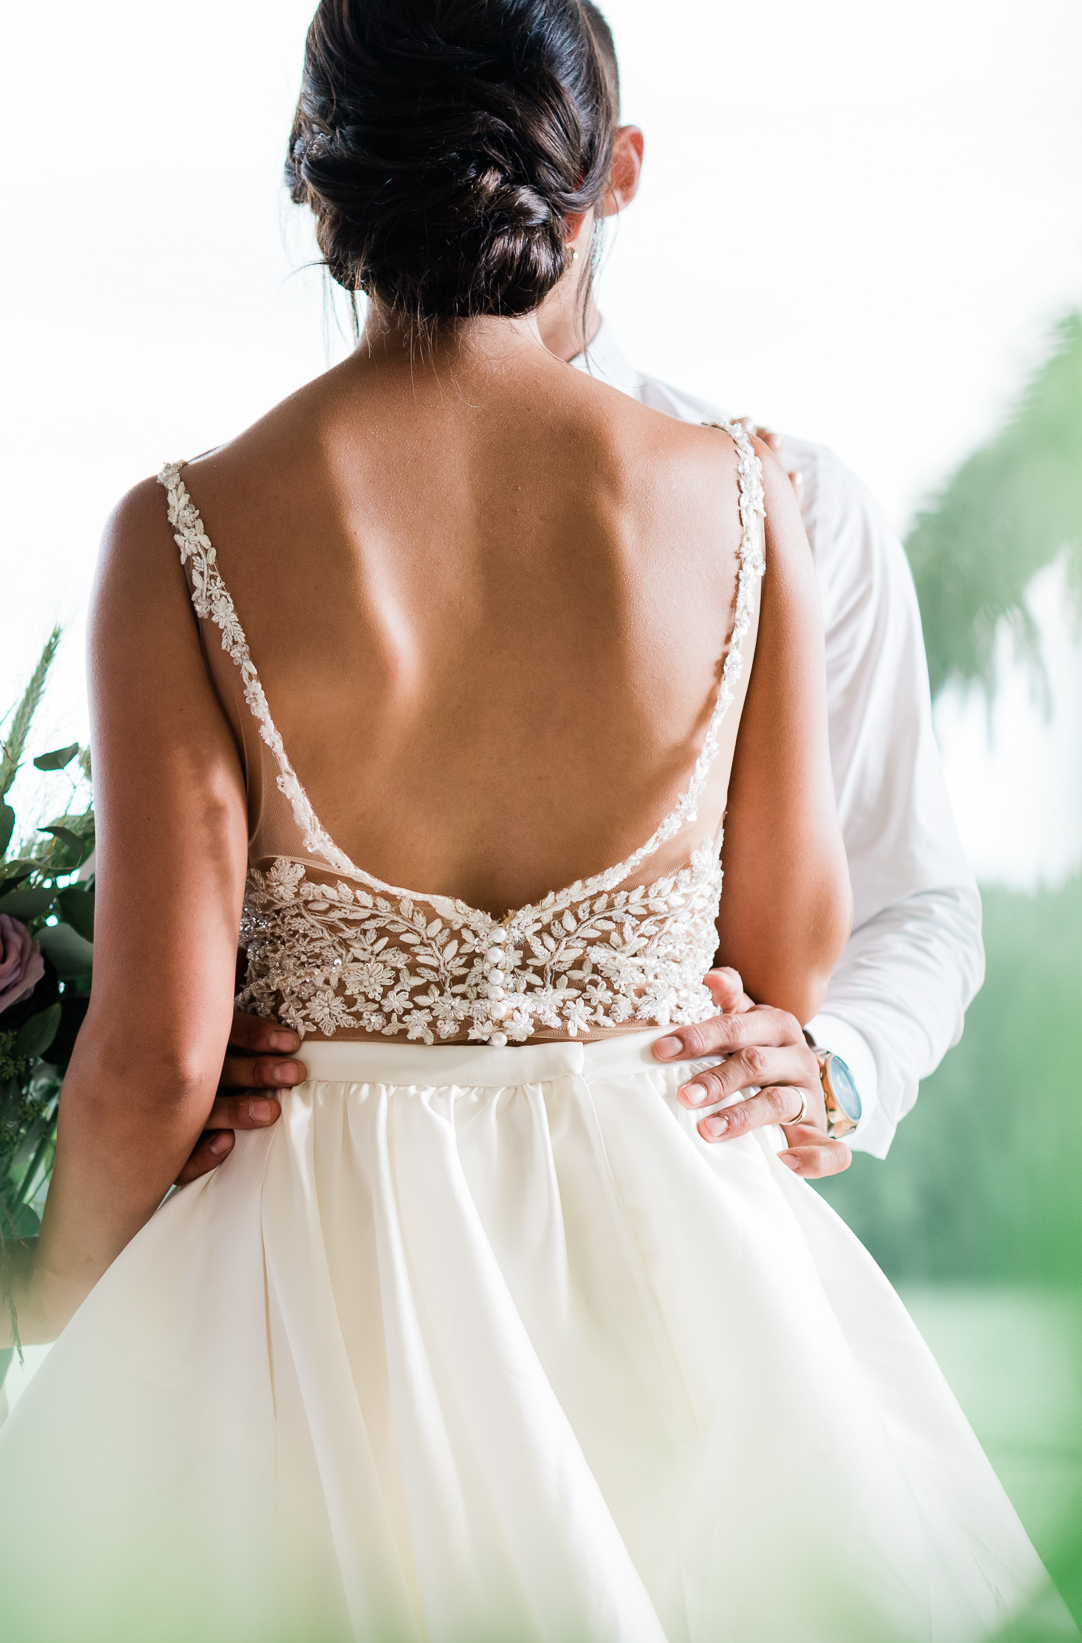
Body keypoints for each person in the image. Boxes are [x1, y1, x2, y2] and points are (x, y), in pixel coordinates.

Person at [0, 3, 1061, 1643]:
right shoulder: (748, 499)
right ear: (592, 181)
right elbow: (786, 971)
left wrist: (47, 1288)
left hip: (312, 1288)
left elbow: (156, 1059)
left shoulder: (185, 533)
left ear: (315, 191)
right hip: (678, 1276)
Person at [187, 3, 979, 1192]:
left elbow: (910, 895)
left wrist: (835, 1063)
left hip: (669, 1209)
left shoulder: (797, 504)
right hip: (324, 1203)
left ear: (618, 174)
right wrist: (208, 1044)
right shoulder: (233, 535)